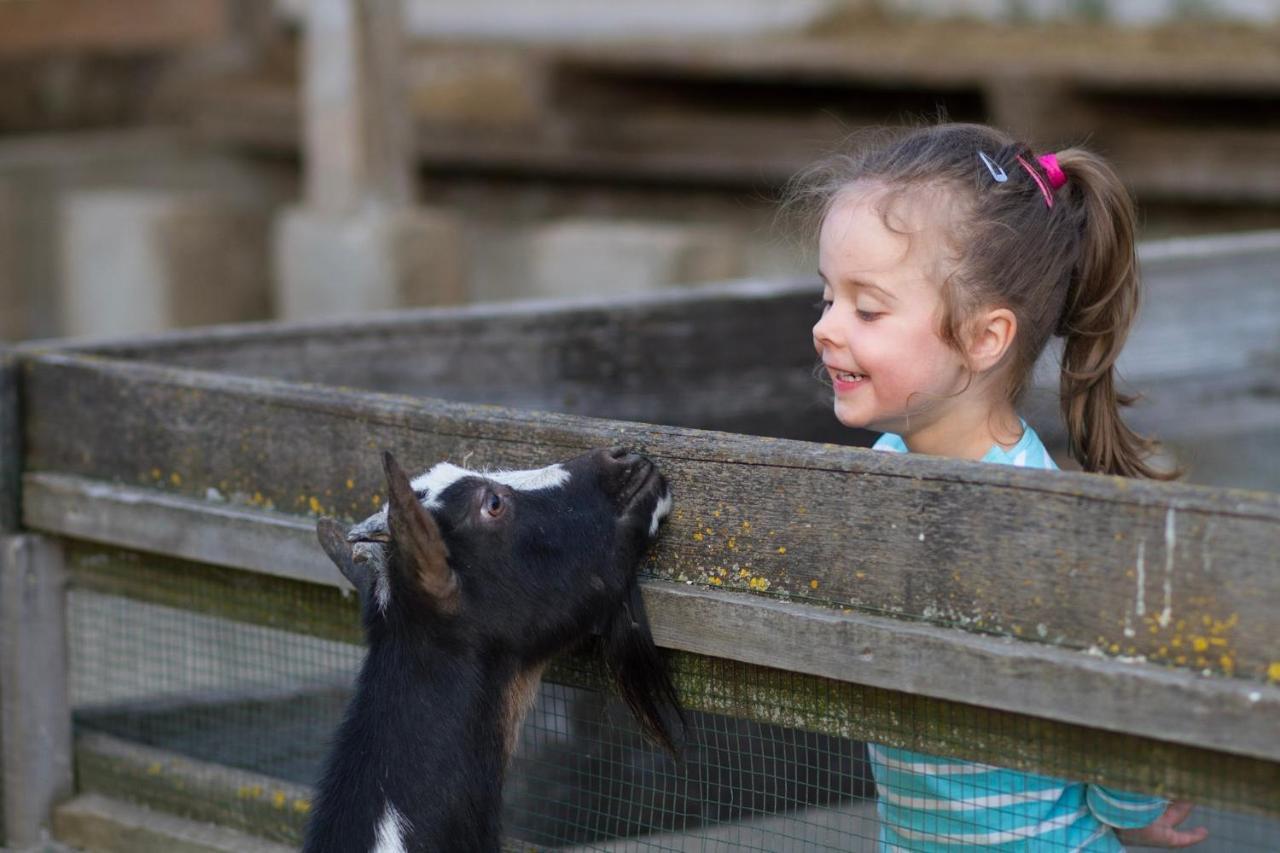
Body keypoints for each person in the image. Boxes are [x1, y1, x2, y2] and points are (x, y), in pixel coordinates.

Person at [795, 123, 1209, 850]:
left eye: (867, 308)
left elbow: (1112, 698)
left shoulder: (1039, 517)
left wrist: (1131, 814)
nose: (826, 328)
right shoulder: (878, 473)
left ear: (985, 338)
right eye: (829, 296)